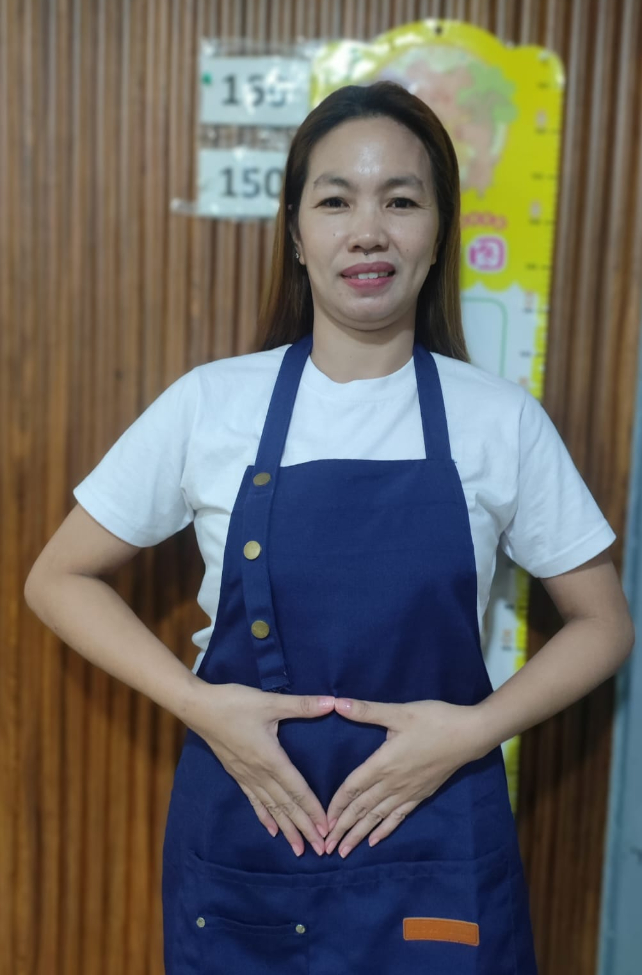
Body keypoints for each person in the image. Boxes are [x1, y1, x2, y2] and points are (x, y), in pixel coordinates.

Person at [24, 81, 634, 974]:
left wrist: (472, 732)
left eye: (402, 201)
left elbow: (603, 623)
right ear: (296, 231)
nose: (368, 231)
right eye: (336, 200)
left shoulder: (499, 420)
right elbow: (57, 578)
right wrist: (200, 707)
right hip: (248, 844)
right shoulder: (211, 404)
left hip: (436, 837)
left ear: (439, 232)